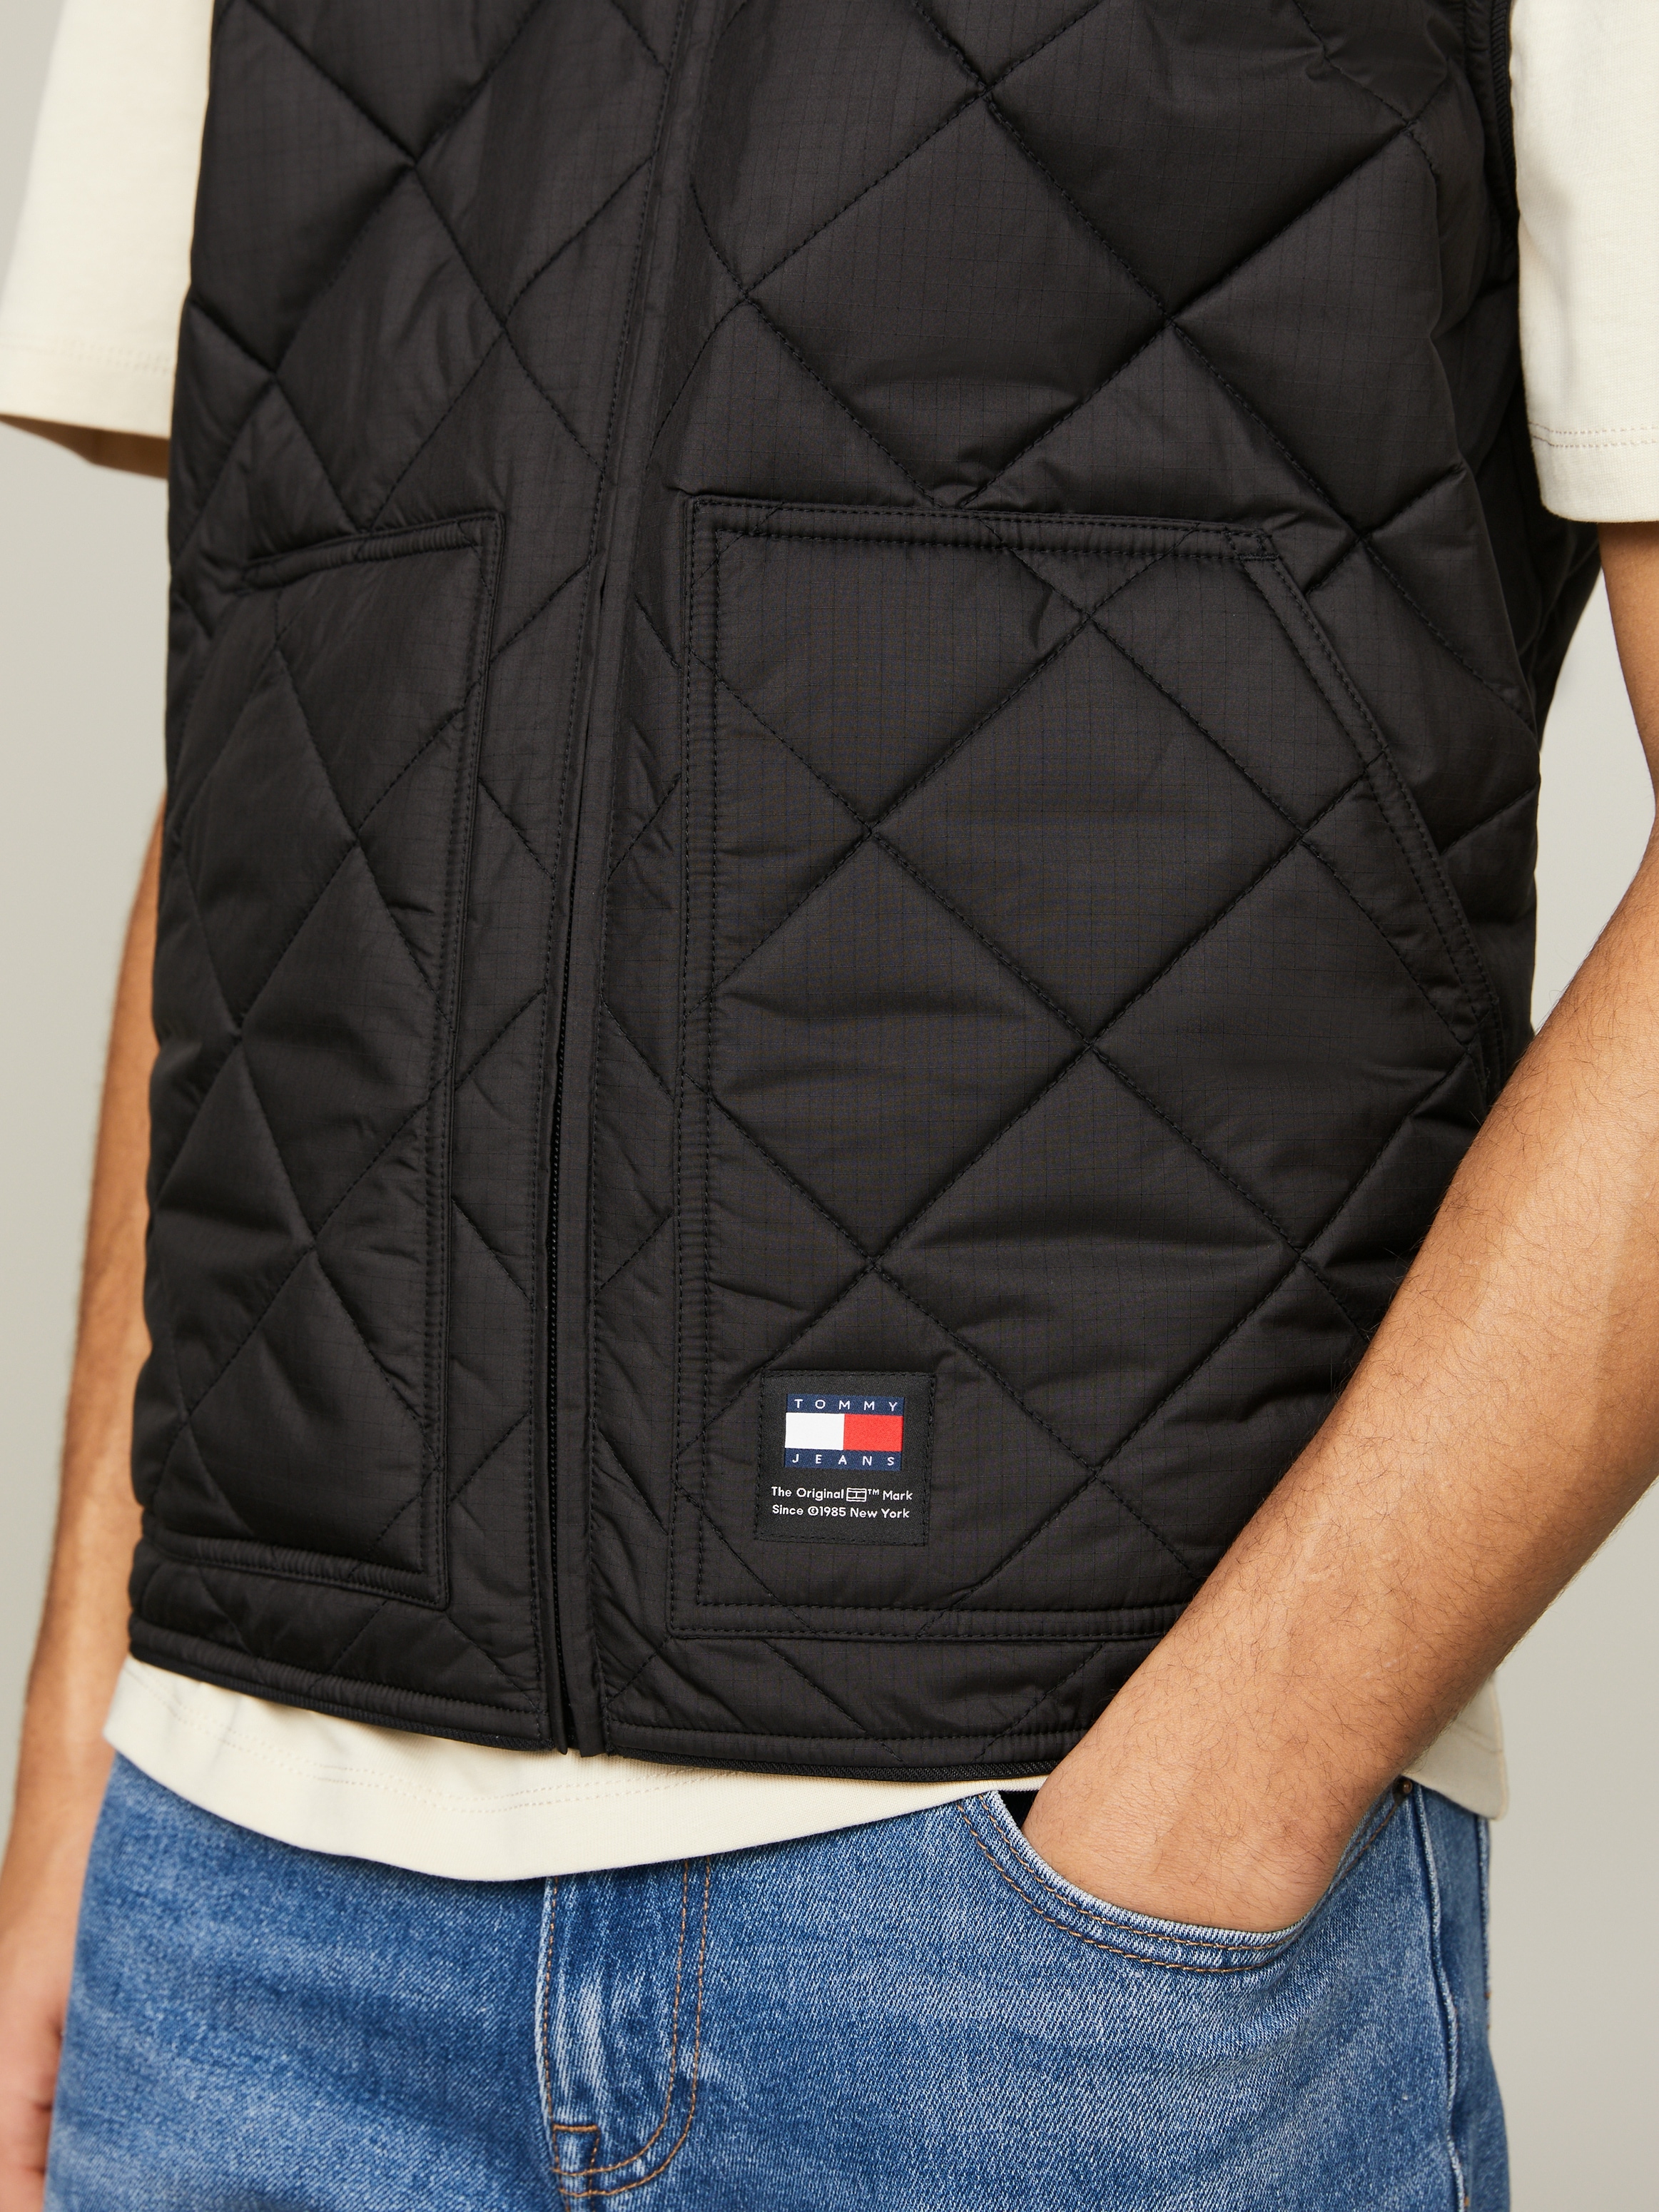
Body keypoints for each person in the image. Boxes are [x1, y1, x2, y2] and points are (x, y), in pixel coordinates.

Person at [0, 0, 1654, 2203]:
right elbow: (309, 695)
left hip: (1040, 1938)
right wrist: (82, 1741)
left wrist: (1225, 1792)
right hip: (237, 1930)